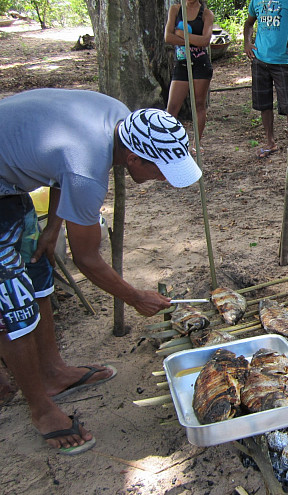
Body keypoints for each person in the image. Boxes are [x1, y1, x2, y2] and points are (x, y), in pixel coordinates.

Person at [0, 88, 202, 454]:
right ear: (133, 159)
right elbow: (86, 259)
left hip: (10, 178)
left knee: (38, 274)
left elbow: (60, 164)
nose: (164, 180)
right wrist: (135, 297)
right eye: (160, 171)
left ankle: (52, 372)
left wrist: (52, 228)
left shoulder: (122, 119)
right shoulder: (88, 170)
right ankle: (41, 409)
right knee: (12, 304)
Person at [243, 0, 288, 162]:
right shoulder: (256, 2)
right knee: (264, 104)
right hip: (259, 59)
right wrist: (247, 42)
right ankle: (270, 142)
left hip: (281, 61)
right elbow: (249, 23)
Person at [165, 0, 214, 152]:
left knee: (199, 104)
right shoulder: (175, 10)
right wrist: (193, 39)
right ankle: (169, 142)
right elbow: (168, 37)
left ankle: (196, 144)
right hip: (182, 64)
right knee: (172, 107)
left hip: (201, 64)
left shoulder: (206, 14)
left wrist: (181, 34)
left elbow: (205, 41)